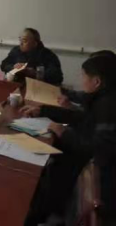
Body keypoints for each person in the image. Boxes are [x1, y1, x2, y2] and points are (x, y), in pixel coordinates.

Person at [21, 54, 116, 226]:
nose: (81, 80)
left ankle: (44, 216)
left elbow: (99, 150)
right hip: (85, 159)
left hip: (94, 171)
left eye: (83, 76)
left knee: (45, 168)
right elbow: (80, 117)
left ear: (96, 82)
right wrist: (43, 111)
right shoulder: (101, 97)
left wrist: (63, 132)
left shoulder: (107, 106)